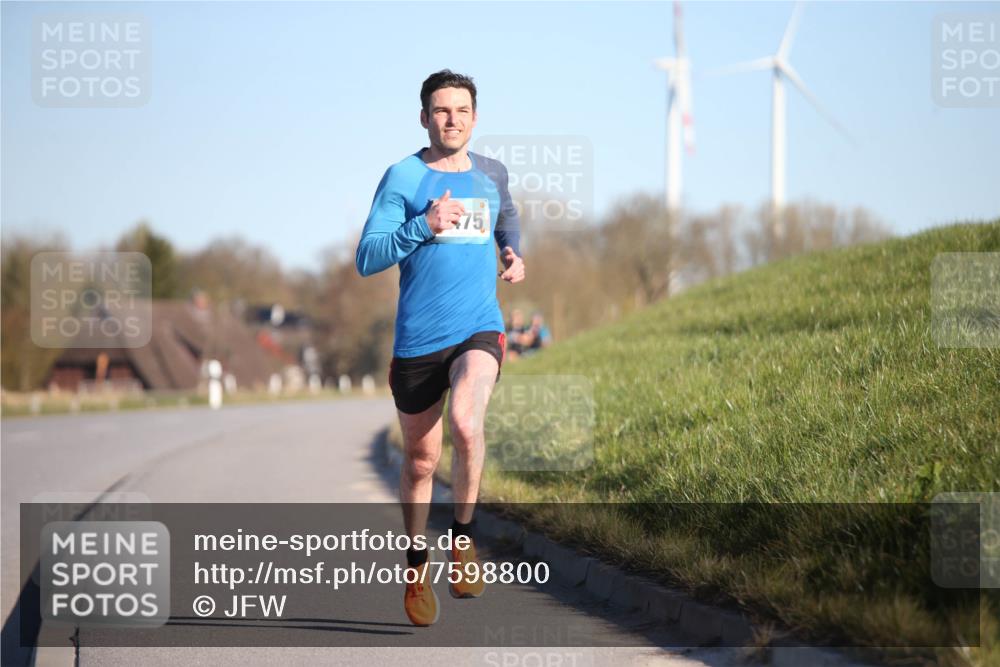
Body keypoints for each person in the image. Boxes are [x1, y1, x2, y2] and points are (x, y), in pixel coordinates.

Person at [355, 69, 525, 626]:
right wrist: (423, 225)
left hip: (479, 326)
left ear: (476, 118)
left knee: (467, 424)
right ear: (425, 117)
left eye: (462, 111)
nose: (453, 120)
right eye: (442, 110)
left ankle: (463, 540)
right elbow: (368, 257)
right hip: (418, 342)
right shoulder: (403, 177)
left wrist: (511, 253)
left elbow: (509, 219)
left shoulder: (492, 173)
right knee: (423, 460)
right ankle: (414, 564)